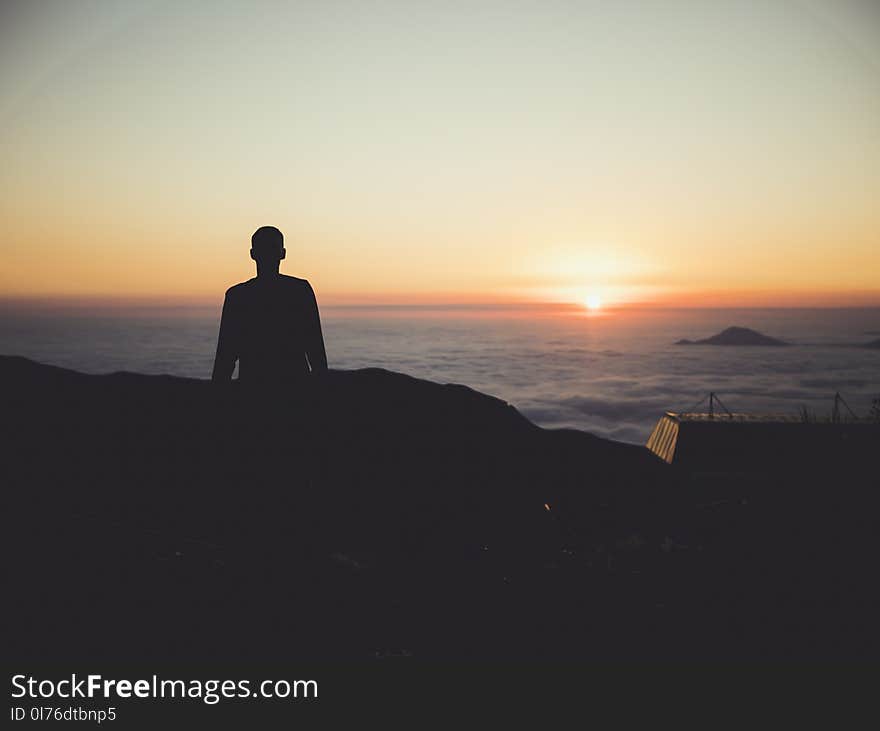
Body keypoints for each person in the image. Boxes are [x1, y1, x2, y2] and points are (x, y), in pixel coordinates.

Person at [212, 226, 328, 384]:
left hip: (252, 389)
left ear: (252, 254)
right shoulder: (300, 290)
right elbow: (316, 350)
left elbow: (225, 357)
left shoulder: (237, 295)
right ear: (283, 254)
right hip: (296, 389)